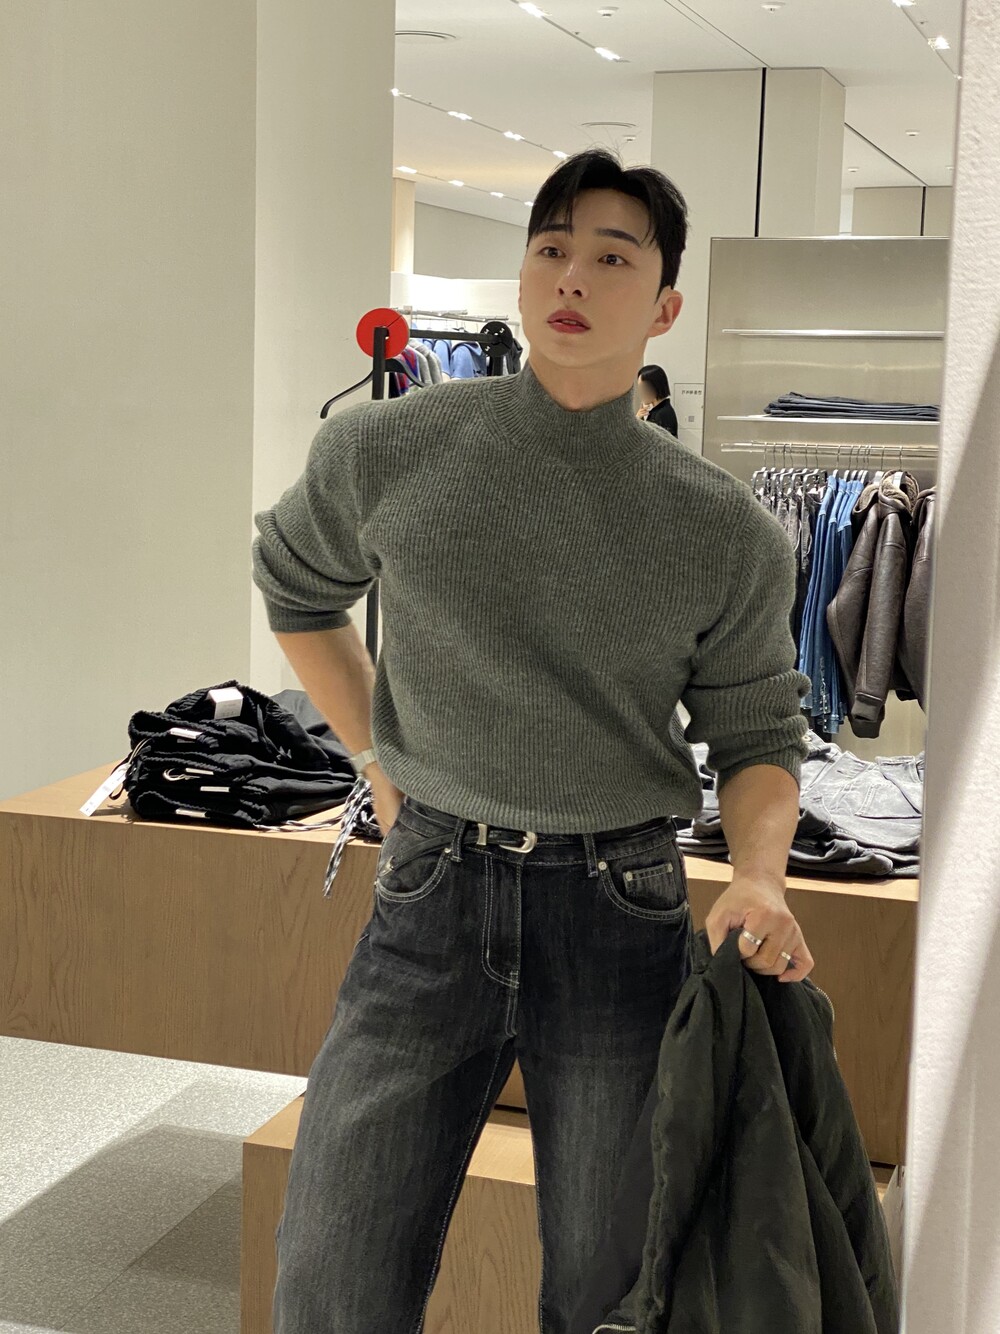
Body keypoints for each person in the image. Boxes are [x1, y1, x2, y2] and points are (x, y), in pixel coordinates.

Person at [251, 147, 813, 1334]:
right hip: (431, 889)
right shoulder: (384, 449)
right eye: (551, 247)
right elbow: (297, 588)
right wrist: (376, 757)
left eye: (611, 257)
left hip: (619, 906)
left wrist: (761, 873)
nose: (571, 277)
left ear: (663, 307)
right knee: (334, 1265)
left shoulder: (722, 530)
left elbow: (757, 728)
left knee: (608, 1285)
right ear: (521, 274)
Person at [636, 362, 679, 436]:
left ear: (654, 387)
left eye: (642, 388)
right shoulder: (659, 411)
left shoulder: (663, 414)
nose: (640, 392)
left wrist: (637, 421)